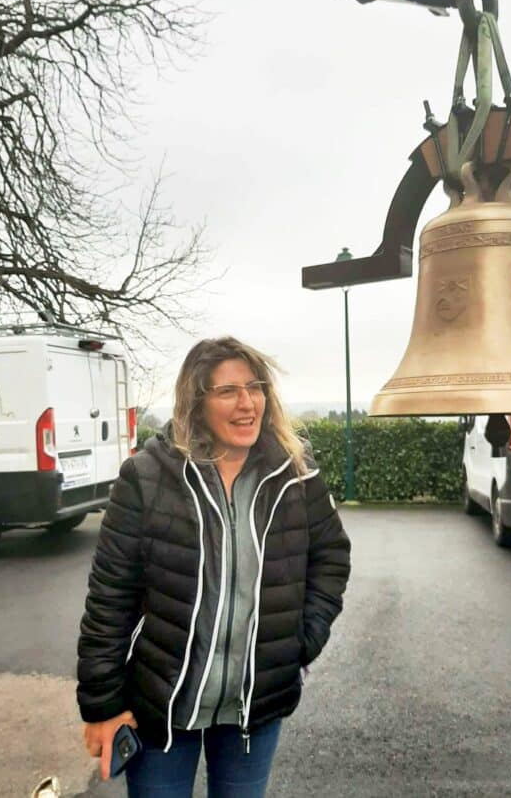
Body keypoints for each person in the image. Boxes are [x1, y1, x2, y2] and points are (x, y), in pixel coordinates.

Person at [77, 337, 351, 797]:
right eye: (227, 391)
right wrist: (101, 704)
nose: (247, 403)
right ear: (196, 402)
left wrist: (301, 641)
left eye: (255, 387)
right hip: (162, 703)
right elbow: (110, 597)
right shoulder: (146, 477)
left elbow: (331, 557)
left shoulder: (296, 474)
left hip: (255, 704)